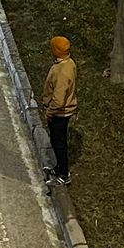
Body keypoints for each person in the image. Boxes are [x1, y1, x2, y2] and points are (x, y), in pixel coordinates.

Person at [41, 36, 79, 185]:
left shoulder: (62, 71)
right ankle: (58, 168)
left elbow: (58, 99)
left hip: (60, 113)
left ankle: (64, 174)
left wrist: (49, 113)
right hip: (63, 111)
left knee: (59, 143)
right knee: (58, 141)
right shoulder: (69, 63)